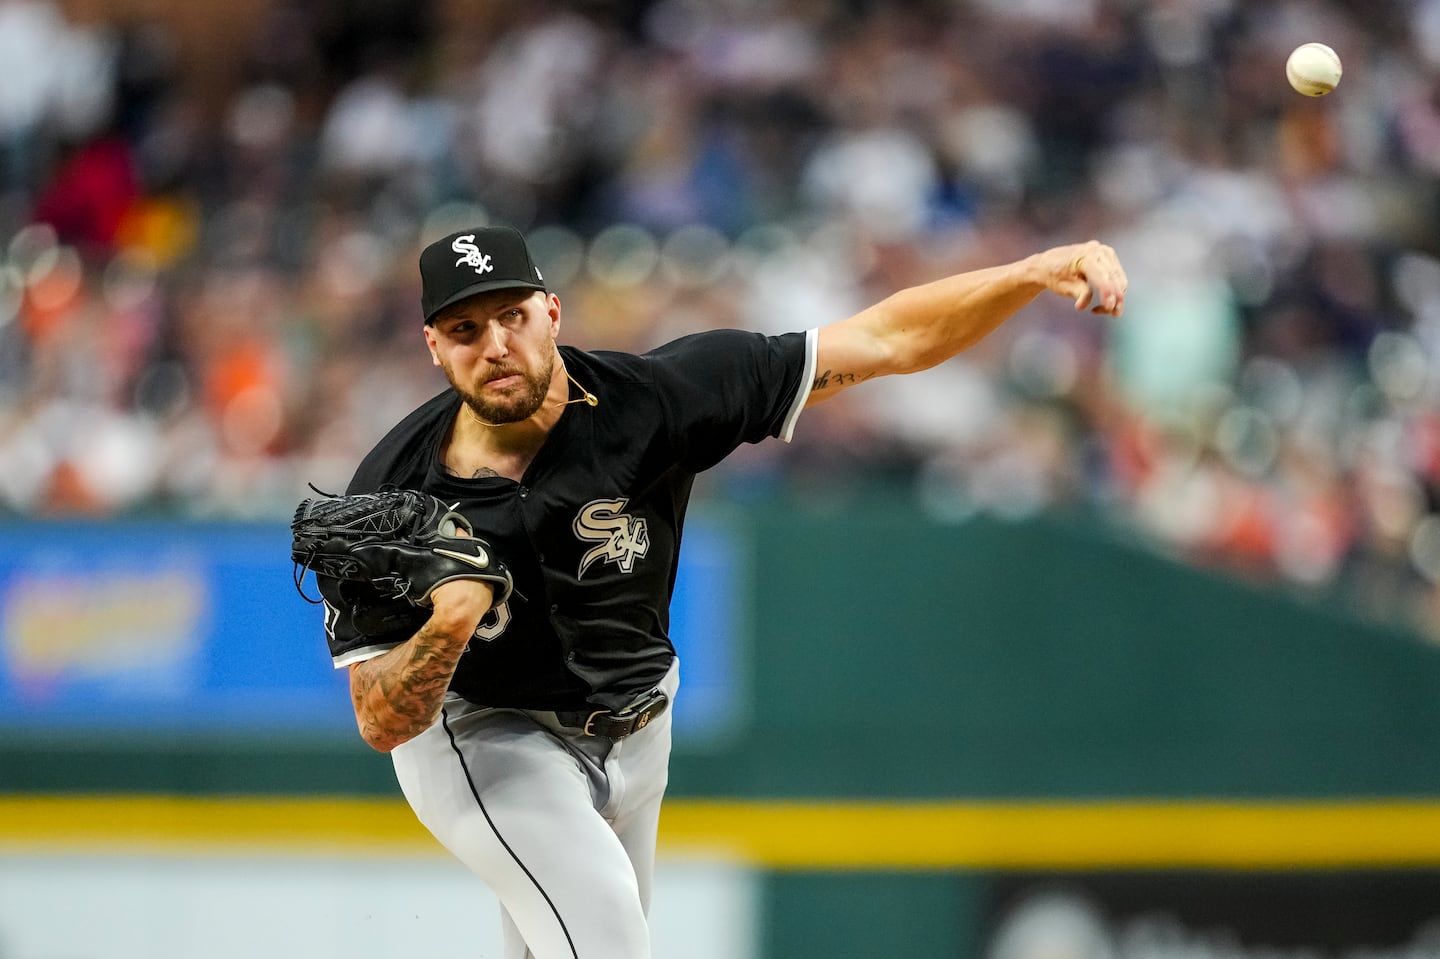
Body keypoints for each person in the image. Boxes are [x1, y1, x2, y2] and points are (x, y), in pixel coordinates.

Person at [319, 224, 1128, 959]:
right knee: (607, 940)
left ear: (553, 312)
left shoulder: (655, 399)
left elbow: (885, 339)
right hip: (488, 737)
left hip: (639, 726)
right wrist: (446, 628)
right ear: (433, 345)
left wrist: (1026, 272)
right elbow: (380, 718)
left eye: (513, 316)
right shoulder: (391, 497)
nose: (495, 344)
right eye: (466, 329)